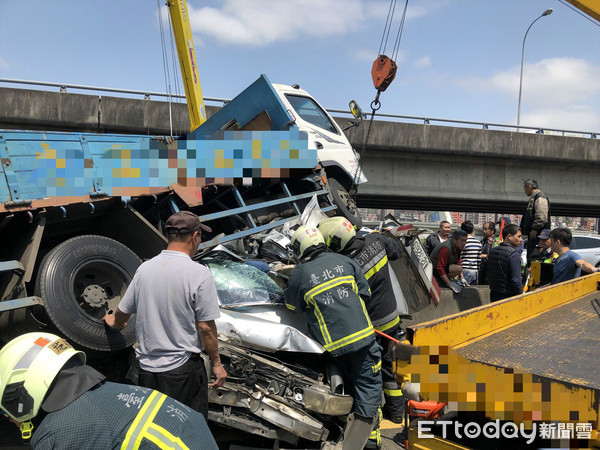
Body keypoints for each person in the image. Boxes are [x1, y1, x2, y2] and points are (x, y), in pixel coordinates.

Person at [103, 210, 227, 419]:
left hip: (147, 371)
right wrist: (217, 364)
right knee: (187, 429)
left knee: (154, 427)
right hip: (182, 371)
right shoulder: (199, 273)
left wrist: (114, 324)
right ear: (195, 236)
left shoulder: (145, 269)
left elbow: (122, 312)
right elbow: (205, 327)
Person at [0, 332, 218, 449]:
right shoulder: (103, 394)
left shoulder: (59, 433)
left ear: (22, 392)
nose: (8, 418)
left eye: (4, 410)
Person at [285, 226, 382, 450]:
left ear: (299, 248)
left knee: (344, 387)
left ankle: (344, 434)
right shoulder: (345, 262)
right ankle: (369, 441)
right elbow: (364, 293)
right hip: (364, 340)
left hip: (334, 347)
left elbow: (292, 306)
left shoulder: (300, 273)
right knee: (368, 387)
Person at [318, 216, 405, 425]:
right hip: (391, 317)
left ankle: (370, 420)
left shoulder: (346, 265)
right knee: (389, 367)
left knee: (369, 375)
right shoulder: (376, 242)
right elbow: (398, 251)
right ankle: (396, 412)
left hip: (371, 327)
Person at [487, 224, 523, 302]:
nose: (521, 240)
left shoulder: (492, 251)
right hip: (508, 296)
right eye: (519, 236)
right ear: (509, 236)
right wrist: (520, 297)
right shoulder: (514, 254)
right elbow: (516, 280)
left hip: (494, 293)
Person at [520, 179, 551, 261]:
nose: (524, 191)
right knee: (532, 256)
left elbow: (541, 216)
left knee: (534, 257)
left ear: (529, 187)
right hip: (536, 235)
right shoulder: (534, 198)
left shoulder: (539, 197)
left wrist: (535, 229)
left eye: (525, 189)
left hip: (539, 235)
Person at [460, 220, 482, 286]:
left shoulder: (462, 242)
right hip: (475, 272)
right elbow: (479, 259)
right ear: (473, 230)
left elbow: (459, 258)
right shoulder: (478, 243)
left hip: (464, 271)